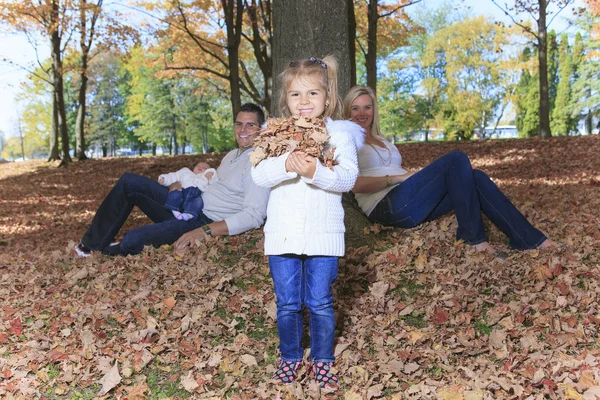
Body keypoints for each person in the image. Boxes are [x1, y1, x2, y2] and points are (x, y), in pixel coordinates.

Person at [251, 56, 363, 388]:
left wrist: (314, 171)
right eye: (296, 95)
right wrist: (286, 163)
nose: (304, 102)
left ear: (327, 98)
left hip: (323, 236)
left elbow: (347, 179)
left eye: (313, 94)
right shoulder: (275, 135)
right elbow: (258, 176)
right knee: (287, 302)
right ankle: (289, 357)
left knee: (320, 301)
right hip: (282, 236)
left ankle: (323, 359)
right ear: (285, 100)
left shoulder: (338, 135)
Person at [343, 85, 556, 258]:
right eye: (355, 108)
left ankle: (527, 238)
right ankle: (473, 239)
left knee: (476, 178)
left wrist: (415, 179)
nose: (362, 113)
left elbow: (400, 172)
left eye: (367, 107)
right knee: (455, 159)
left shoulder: (382, 140)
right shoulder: (346, 140)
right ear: (347, 111)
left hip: (407, 198)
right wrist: (396, 178)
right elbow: (354, 184)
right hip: (386, 206)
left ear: (374, 110)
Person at [73, 103, 270, 257]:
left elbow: (253, 216)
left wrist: (204, 231)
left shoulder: (258, 164)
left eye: (250, 125)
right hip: (188, 203)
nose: (243, 129)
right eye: (239, 124)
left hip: (202, 220)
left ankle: (117, 247)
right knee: (129, 183)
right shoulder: (231, 155)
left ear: (260, 129)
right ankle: (89, 246)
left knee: (132, 240)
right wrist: (181, 185)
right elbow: (212, 184)